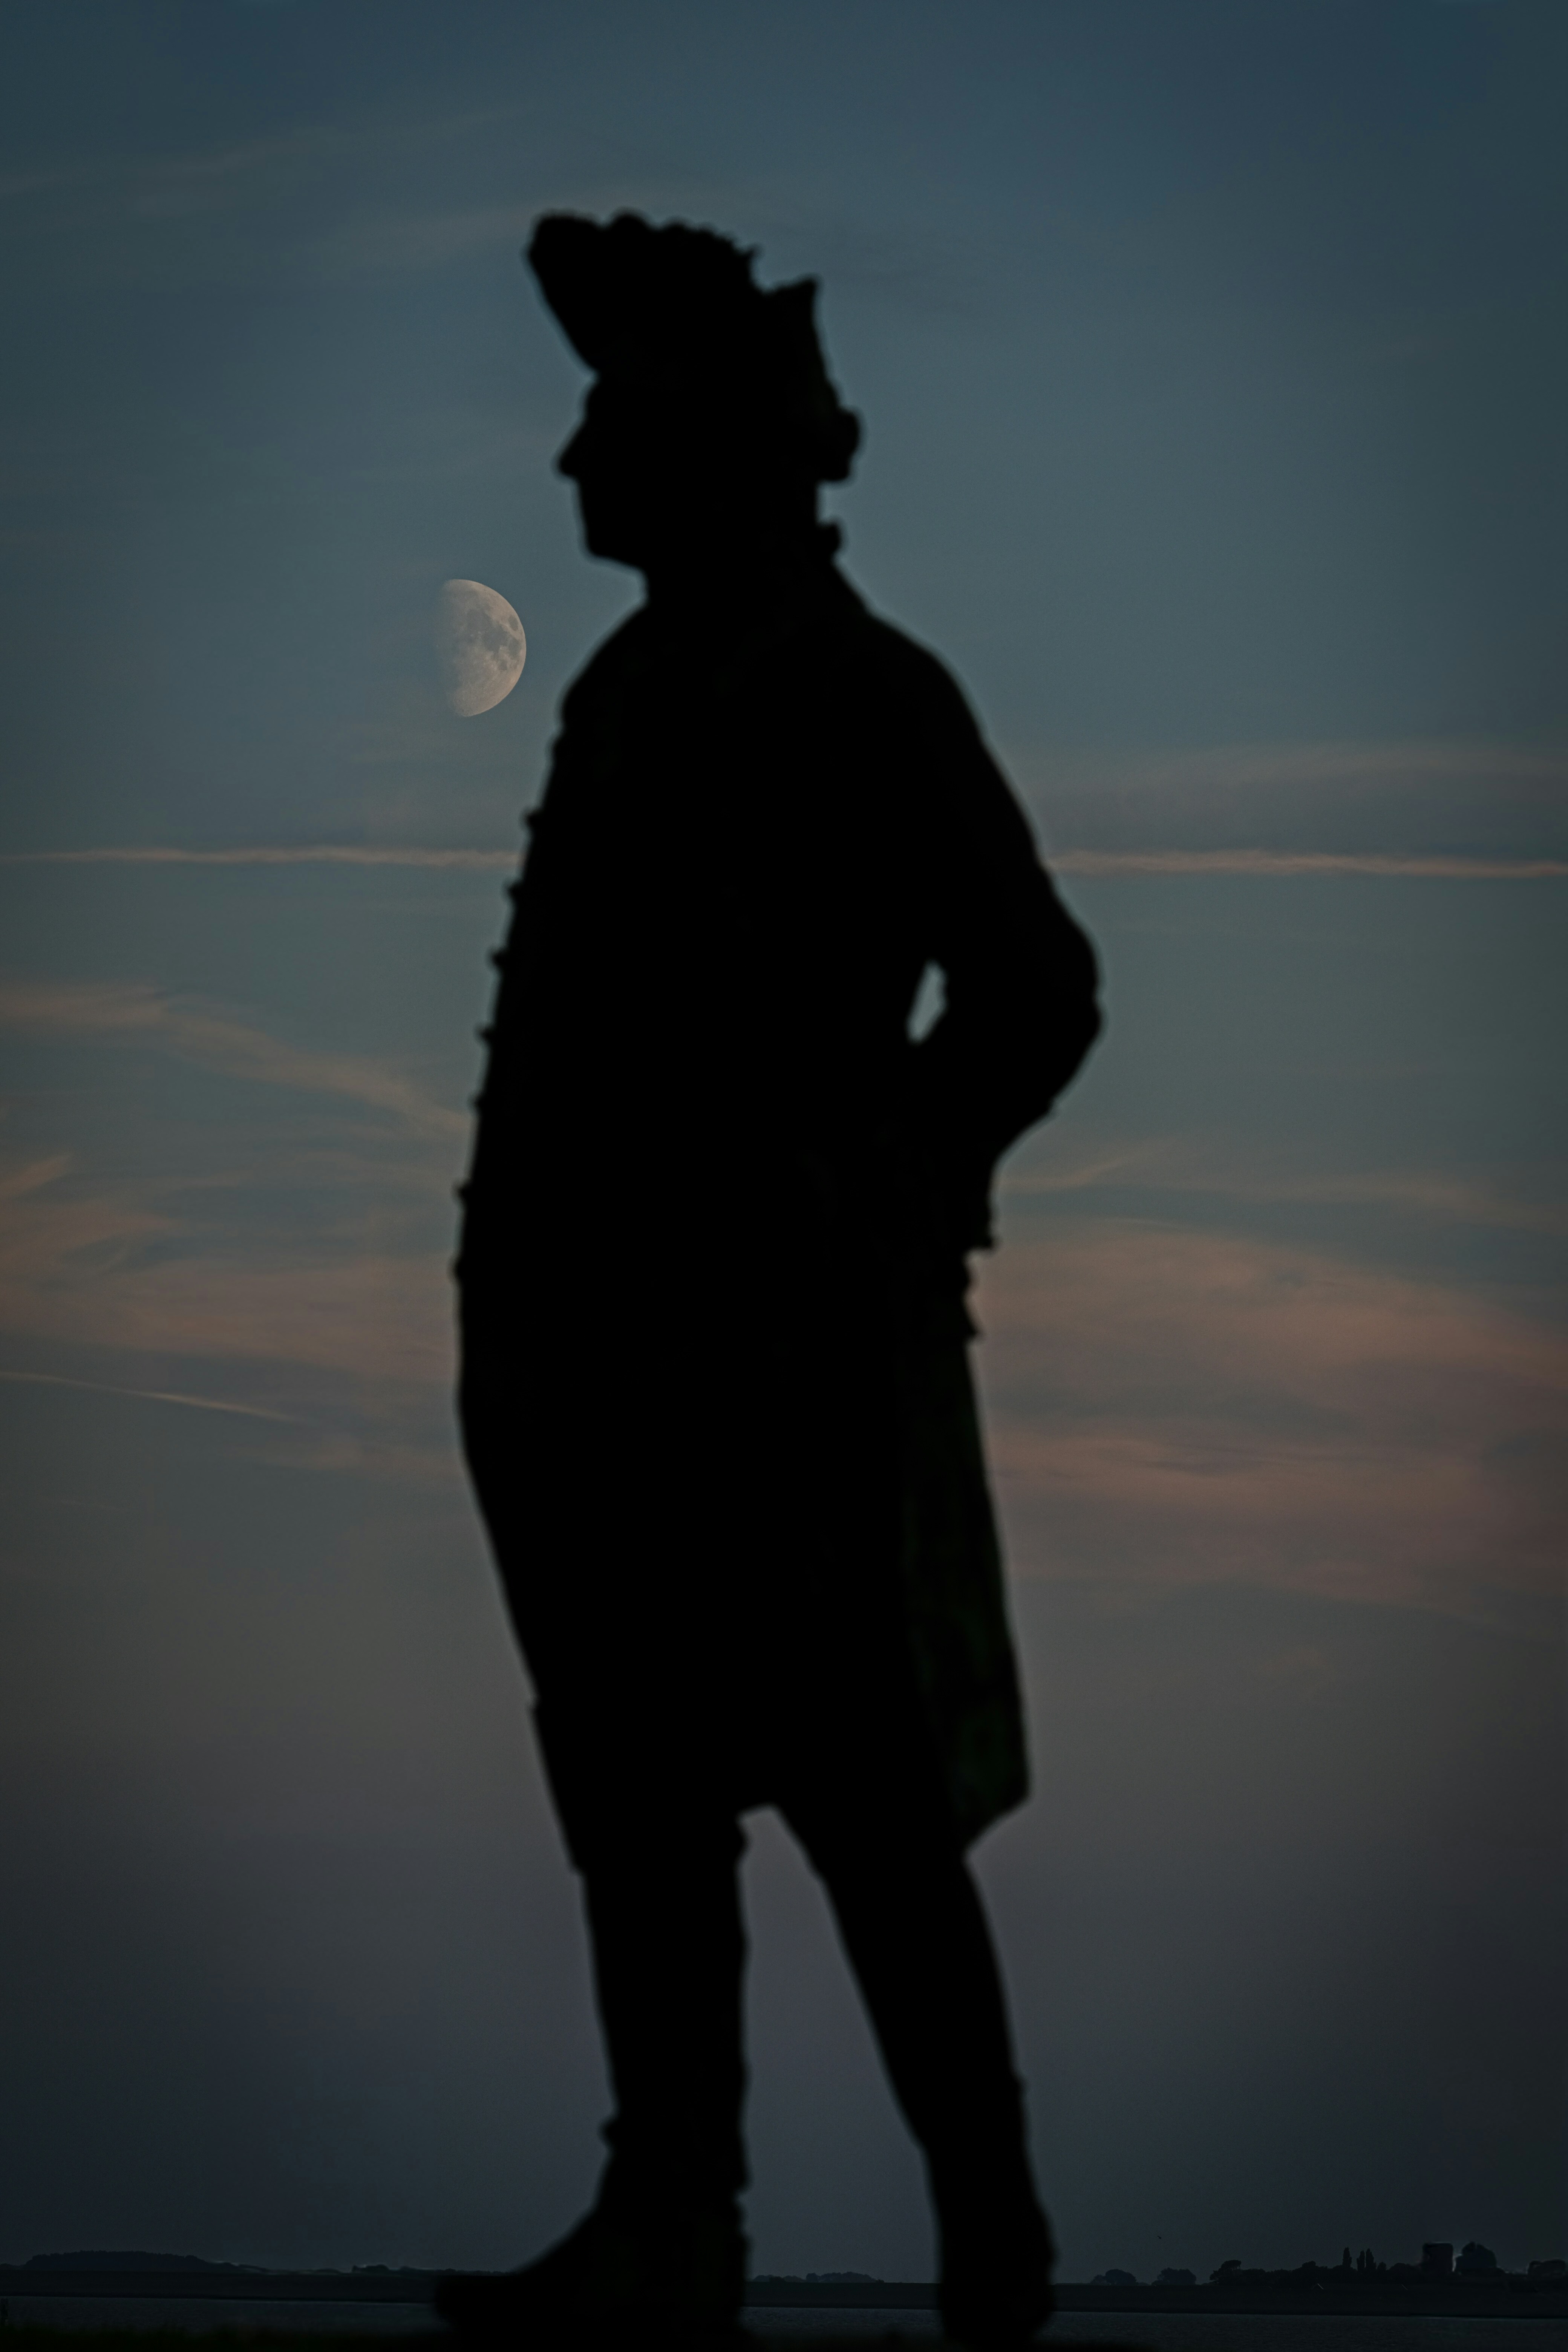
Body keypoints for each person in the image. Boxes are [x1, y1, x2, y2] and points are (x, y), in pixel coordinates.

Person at [439, 212, 1101, 2350]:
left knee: (872, 1815)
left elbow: (1034, 993)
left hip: (789, 1379)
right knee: (635, 1801)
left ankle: (991, 2247)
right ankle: (673, 2220)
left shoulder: (864, 693)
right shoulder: (634, 686)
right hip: (595, 1370)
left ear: (708, 451)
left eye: (607, 417)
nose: (567, 467)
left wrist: (886, 1178)